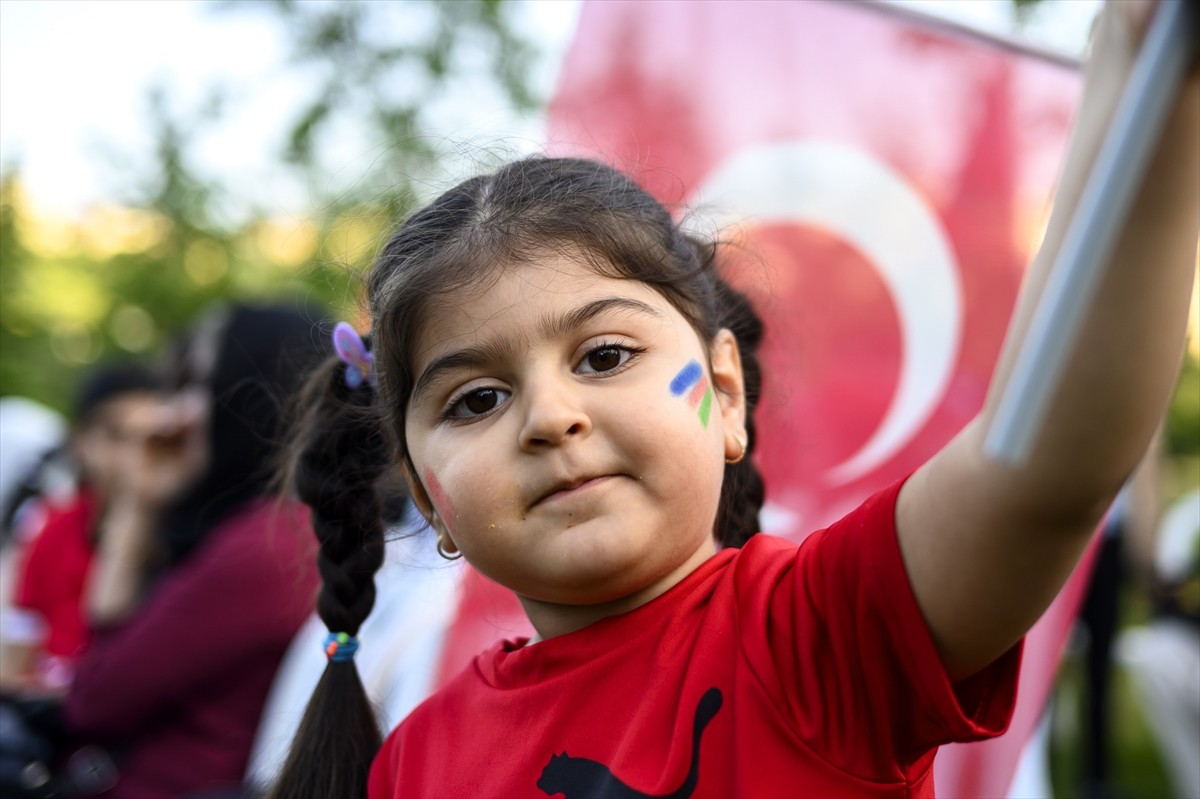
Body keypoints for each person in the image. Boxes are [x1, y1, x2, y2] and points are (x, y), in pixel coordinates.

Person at [271, 1, 1199, 796]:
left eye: (602, 355)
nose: (550, 416)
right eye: (474, 400)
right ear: (428, 494)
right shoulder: (415, 757)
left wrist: (1140, 58)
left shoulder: (820, 636)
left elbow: (1046, 467)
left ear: (723, 389)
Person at [60, 304, 325, 799]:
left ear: (242, 393)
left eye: (195, 385)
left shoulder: (262, 546)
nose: (172, 413)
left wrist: (134, 510)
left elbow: (92, 699)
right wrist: (141, 505)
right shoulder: (302, 527)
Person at [2, 363, 160, 693]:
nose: (132, 454)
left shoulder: (168, 541)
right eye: (116, 435)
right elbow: (20, 629)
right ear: (80, 441)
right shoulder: (54, 522)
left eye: (148, 438)